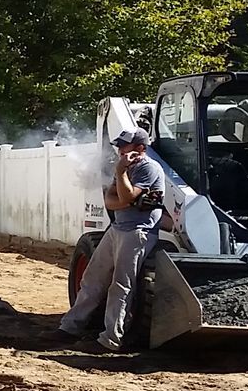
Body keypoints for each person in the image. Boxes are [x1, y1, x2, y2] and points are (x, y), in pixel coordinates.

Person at [59, 129, 167, 351]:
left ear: (140, 148)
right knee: (92, 278)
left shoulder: (148, 168)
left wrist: (120, 174)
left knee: (121, 286)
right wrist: (123, 199)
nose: (120, 150)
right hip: (118, 228)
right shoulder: (127, 169)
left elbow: (126, 196)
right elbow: (111, 200)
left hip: (137, 232)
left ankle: (111, 339)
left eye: (124, 146)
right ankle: (69, 328)